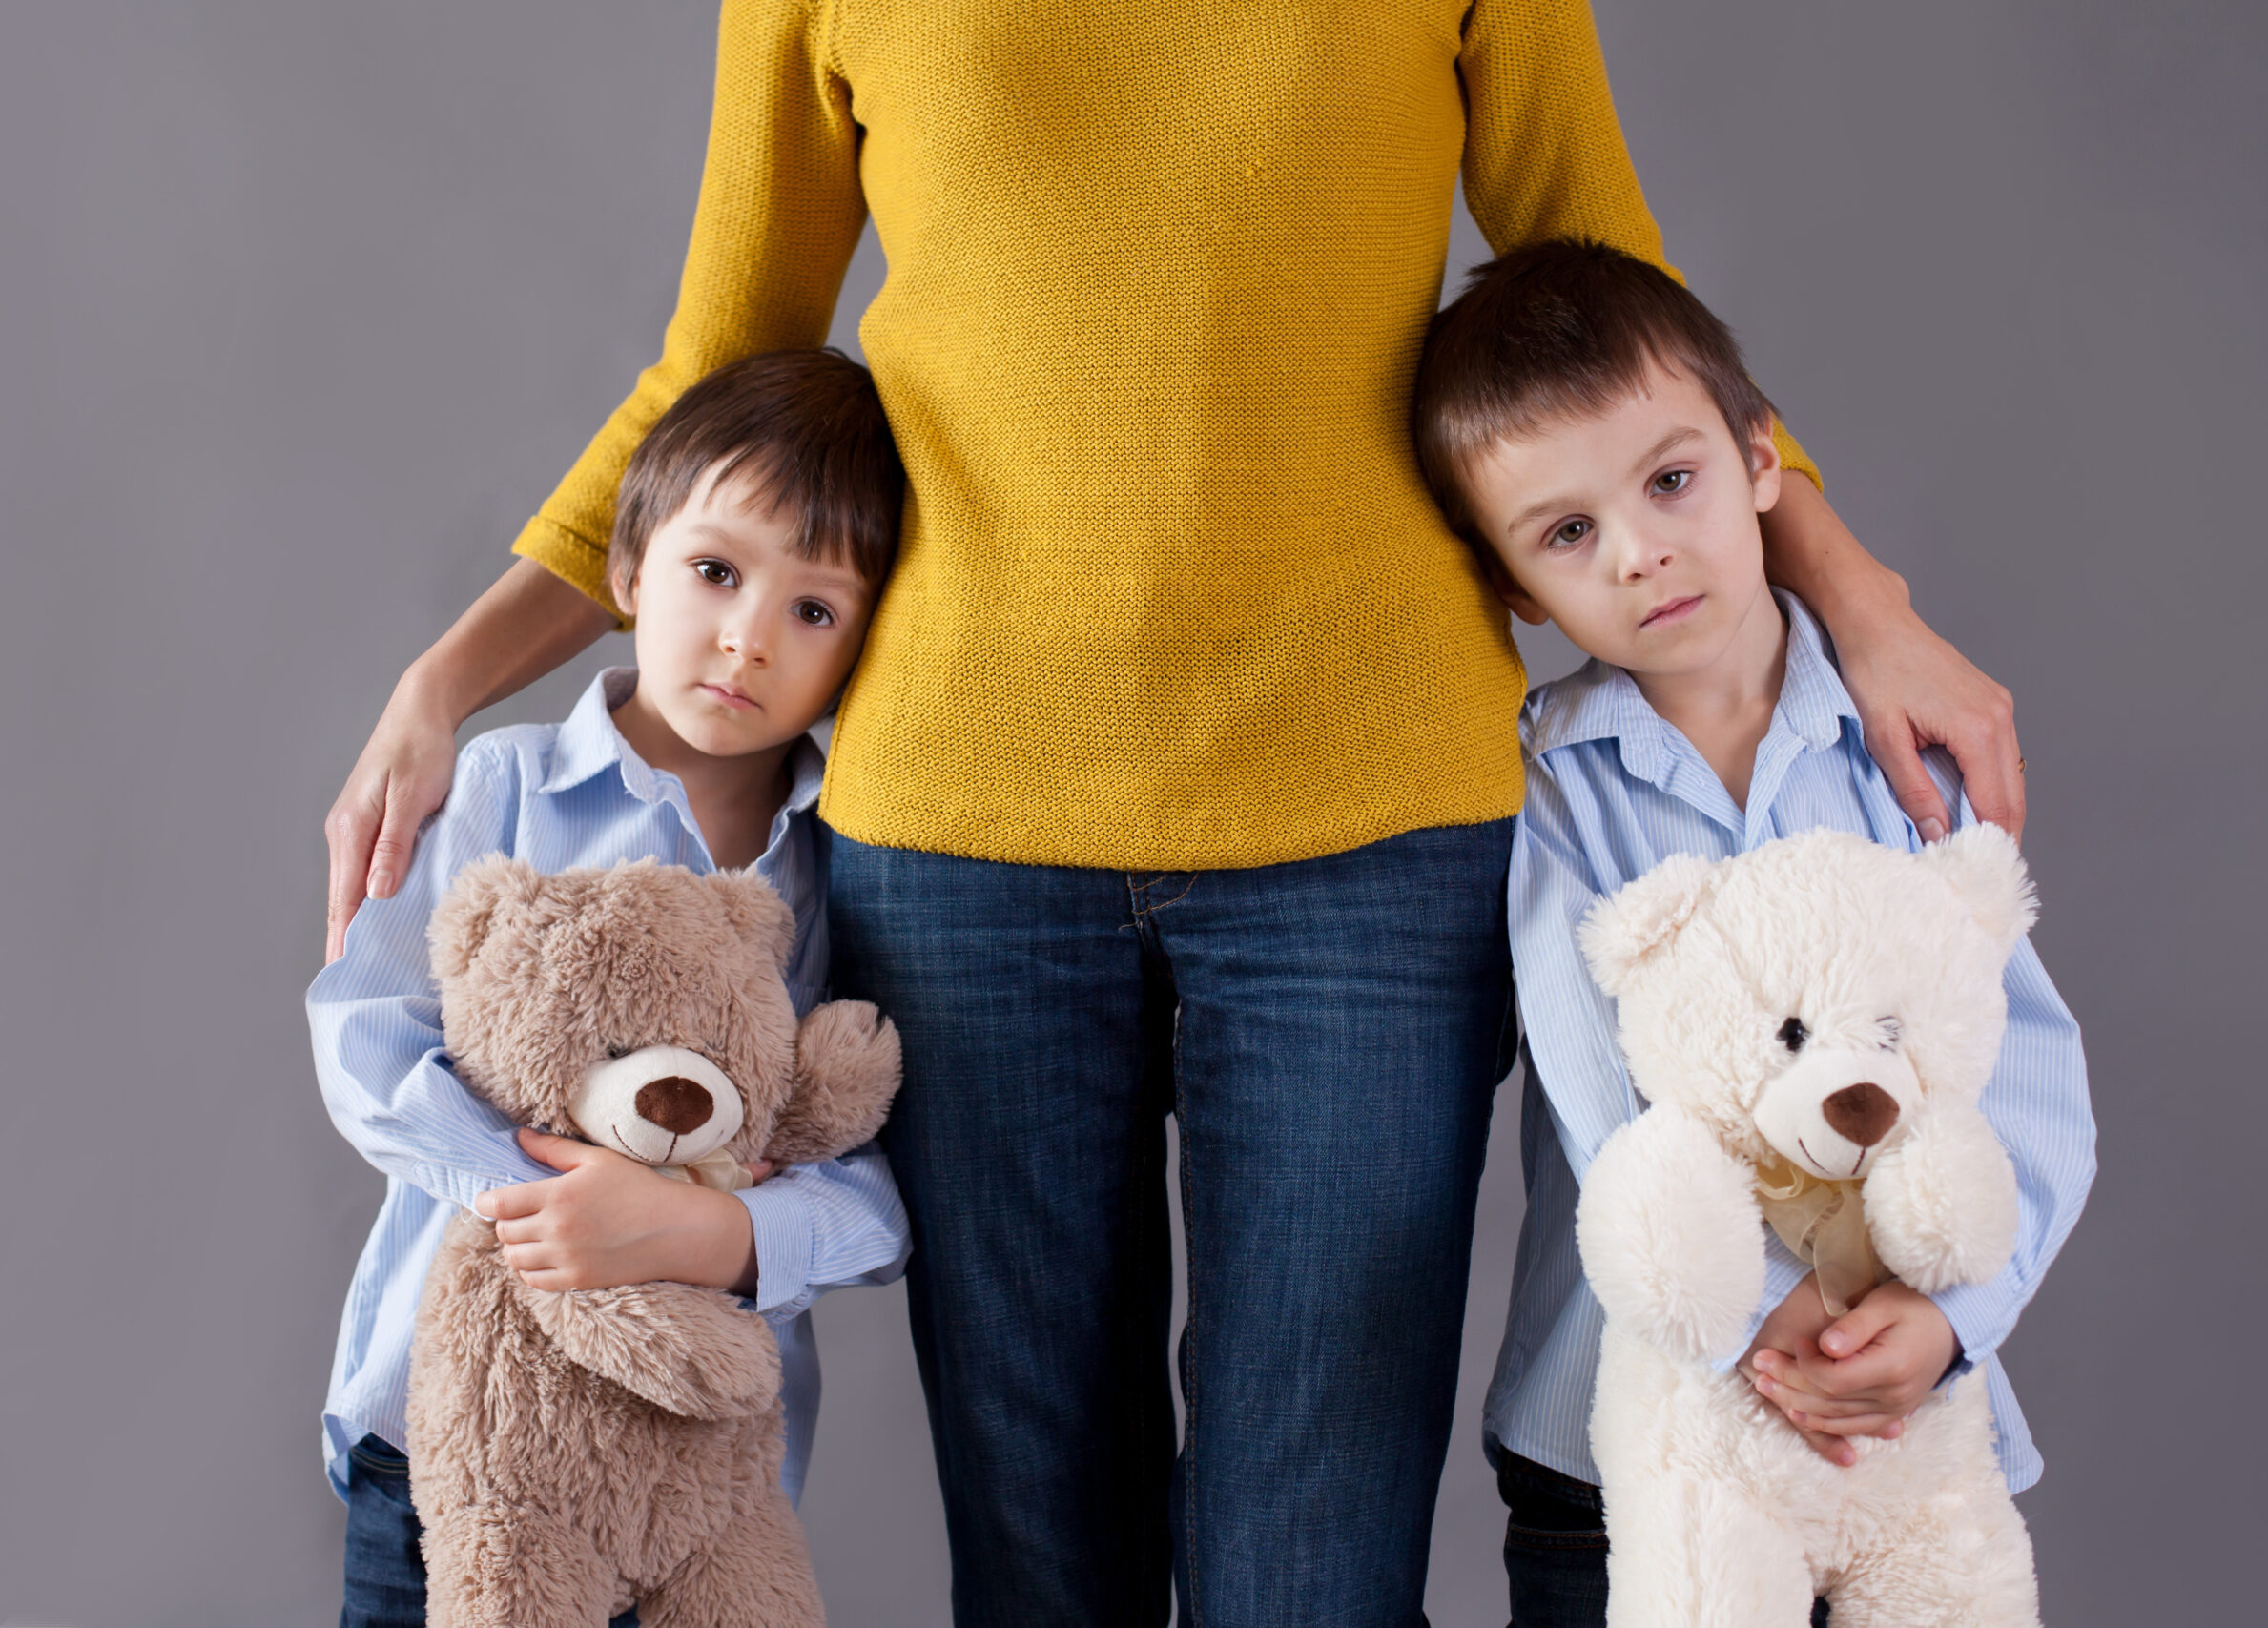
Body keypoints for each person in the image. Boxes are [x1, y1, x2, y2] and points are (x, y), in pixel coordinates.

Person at [321, 4, 2028, 1621]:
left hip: (1372, 829)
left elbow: (1628, 313)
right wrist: (443, 682)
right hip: (965, 835)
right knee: (1043, 1557)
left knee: (1320, 1570)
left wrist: (1863, 604)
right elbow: (721, 364)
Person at [1409, 237, 2094, 1626]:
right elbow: (1604, 1084)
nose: (1641, 550)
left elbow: (2019, 1063)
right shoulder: (1552, 785)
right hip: (1625, 1438)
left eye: (1671, 483)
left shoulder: (1902, 754)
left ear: (1764, 466)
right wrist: (1744, 1319)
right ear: (1523, 589)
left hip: (1901, 1424)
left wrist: (1954, 1319)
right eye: (1567, 533)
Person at [310, 350, 913, 1627]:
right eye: (715, 572)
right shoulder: (498, 793)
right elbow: (364, 1039)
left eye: (815, 611)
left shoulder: (832, 874)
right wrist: (540, 1201)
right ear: (630, 572)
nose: (747, 635)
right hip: (448, 1463)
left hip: (691, 1508)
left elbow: (868, 1173)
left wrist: (725, 1237)